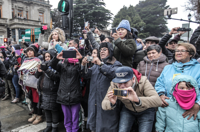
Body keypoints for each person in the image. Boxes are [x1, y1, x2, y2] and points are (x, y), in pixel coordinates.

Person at [102, 66, 162, 132]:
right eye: (119, 83)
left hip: (146, 110)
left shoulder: (143, 81)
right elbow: (103, 104)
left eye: (125, 82)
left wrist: (138, 100)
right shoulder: (114, 84)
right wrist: (112, 103)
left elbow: (158, 101)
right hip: (128, 109)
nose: (122, 86)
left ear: (133, 79)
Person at [81, 42, 122, 132]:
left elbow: (113, 74)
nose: (101, 52)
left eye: (104, 49)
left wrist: (101, 64)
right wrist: (83, 65)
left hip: (107, 103)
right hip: (94, 102)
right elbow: (86, 75)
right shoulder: (95, 65)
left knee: (107, 126)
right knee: (94, 126)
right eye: (100, 50)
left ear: (110, 51)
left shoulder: (117, 64)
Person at [155, 43, 200, 120]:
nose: (178, 53)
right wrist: (161, 95)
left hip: (190, 110)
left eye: (182, 50)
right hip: (169, 108)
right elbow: (159, 83)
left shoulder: (198, 69)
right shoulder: (168, 68)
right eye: (177, 51)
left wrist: (198, 104)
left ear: (191, 54)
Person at [50, 43, 83, 132]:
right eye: (68, 53)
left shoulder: (78, 65)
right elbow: (52, 65)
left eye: (73, 53)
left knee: (75, 117)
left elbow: (84, 73)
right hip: (63, 94)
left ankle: (75, 130)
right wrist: (57, 58)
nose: (70, 55)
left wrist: (81, 59)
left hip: (75, 95)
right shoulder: (61, 65)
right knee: (67, 117)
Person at [17, 43, 43, 125]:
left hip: (35, 83)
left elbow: (39, 71)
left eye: (31, 51)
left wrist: (31, 71)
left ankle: (39, 115)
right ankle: (35, 114)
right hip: (28, 83)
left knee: (37, 100)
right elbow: (22, 69)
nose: (29, 52)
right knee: (31, 99)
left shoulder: (37, 60)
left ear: (34, 52)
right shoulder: (25, 60)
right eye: (28, 51)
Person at [35, 49, 60, 132]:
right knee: (46, 109)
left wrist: (46, 69)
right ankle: (48, 126)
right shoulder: (43, 64)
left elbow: (56, 77)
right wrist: (38, 71)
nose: (47, 58)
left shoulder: (56, 66)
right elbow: (37, 76)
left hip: (52, 91)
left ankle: (54, 127)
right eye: (45, 57)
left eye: (49, 56)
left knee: (53, 110)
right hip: (44, 91)